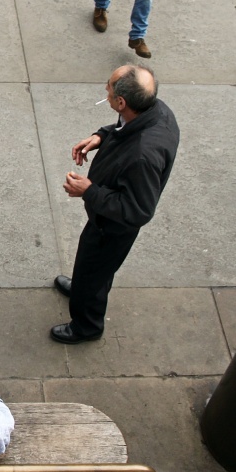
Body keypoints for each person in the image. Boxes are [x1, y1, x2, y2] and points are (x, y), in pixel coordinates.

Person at [51, 64, 179, 344]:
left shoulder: (144, 155)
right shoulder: (154, 110)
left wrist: (89, 191)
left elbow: (137, 211)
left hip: (112, 227)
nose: (105, 90)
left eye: (108, 87)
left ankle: (86, 326)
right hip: (104, 218)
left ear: (121, 102)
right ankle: (82, 287)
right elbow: (124, 130)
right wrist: (103, 136)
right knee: (90, 269)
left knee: (95, 270)